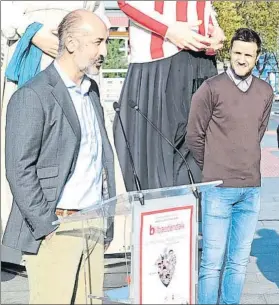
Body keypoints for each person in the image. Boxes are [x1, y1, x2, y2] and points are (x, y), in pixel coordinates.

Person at [2, 9, 115, 304]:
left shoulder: (91, 93)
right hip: (57, 229)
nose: (104, 51)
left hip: (93, 224)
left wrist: (106, 220)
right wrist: (46, 224)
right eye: (98, 42)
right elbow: (18, 169)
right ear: (72, 43)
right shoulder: (33, 95)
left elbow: (99, 159)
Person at [186, 28, 274, 304]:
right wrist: (213, 166)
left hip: (251, 189)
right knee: (211, 263)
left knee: (238, 263)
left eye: (248, 54)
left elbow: (257, 132)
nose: (241, 59)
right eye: (237, 52)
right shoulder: (210, 88)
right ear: (230, 53)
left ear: (257, 56)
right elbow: (194, 135)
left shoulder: (265, 91)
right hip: (217, 189)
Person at [113, 1, 225, 191]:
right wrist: (169, 29)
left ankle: (194, 218)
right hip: (160, 57)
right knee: (155, 168)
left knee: (202, 158)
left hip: (203, 58)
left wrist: (213, 25)